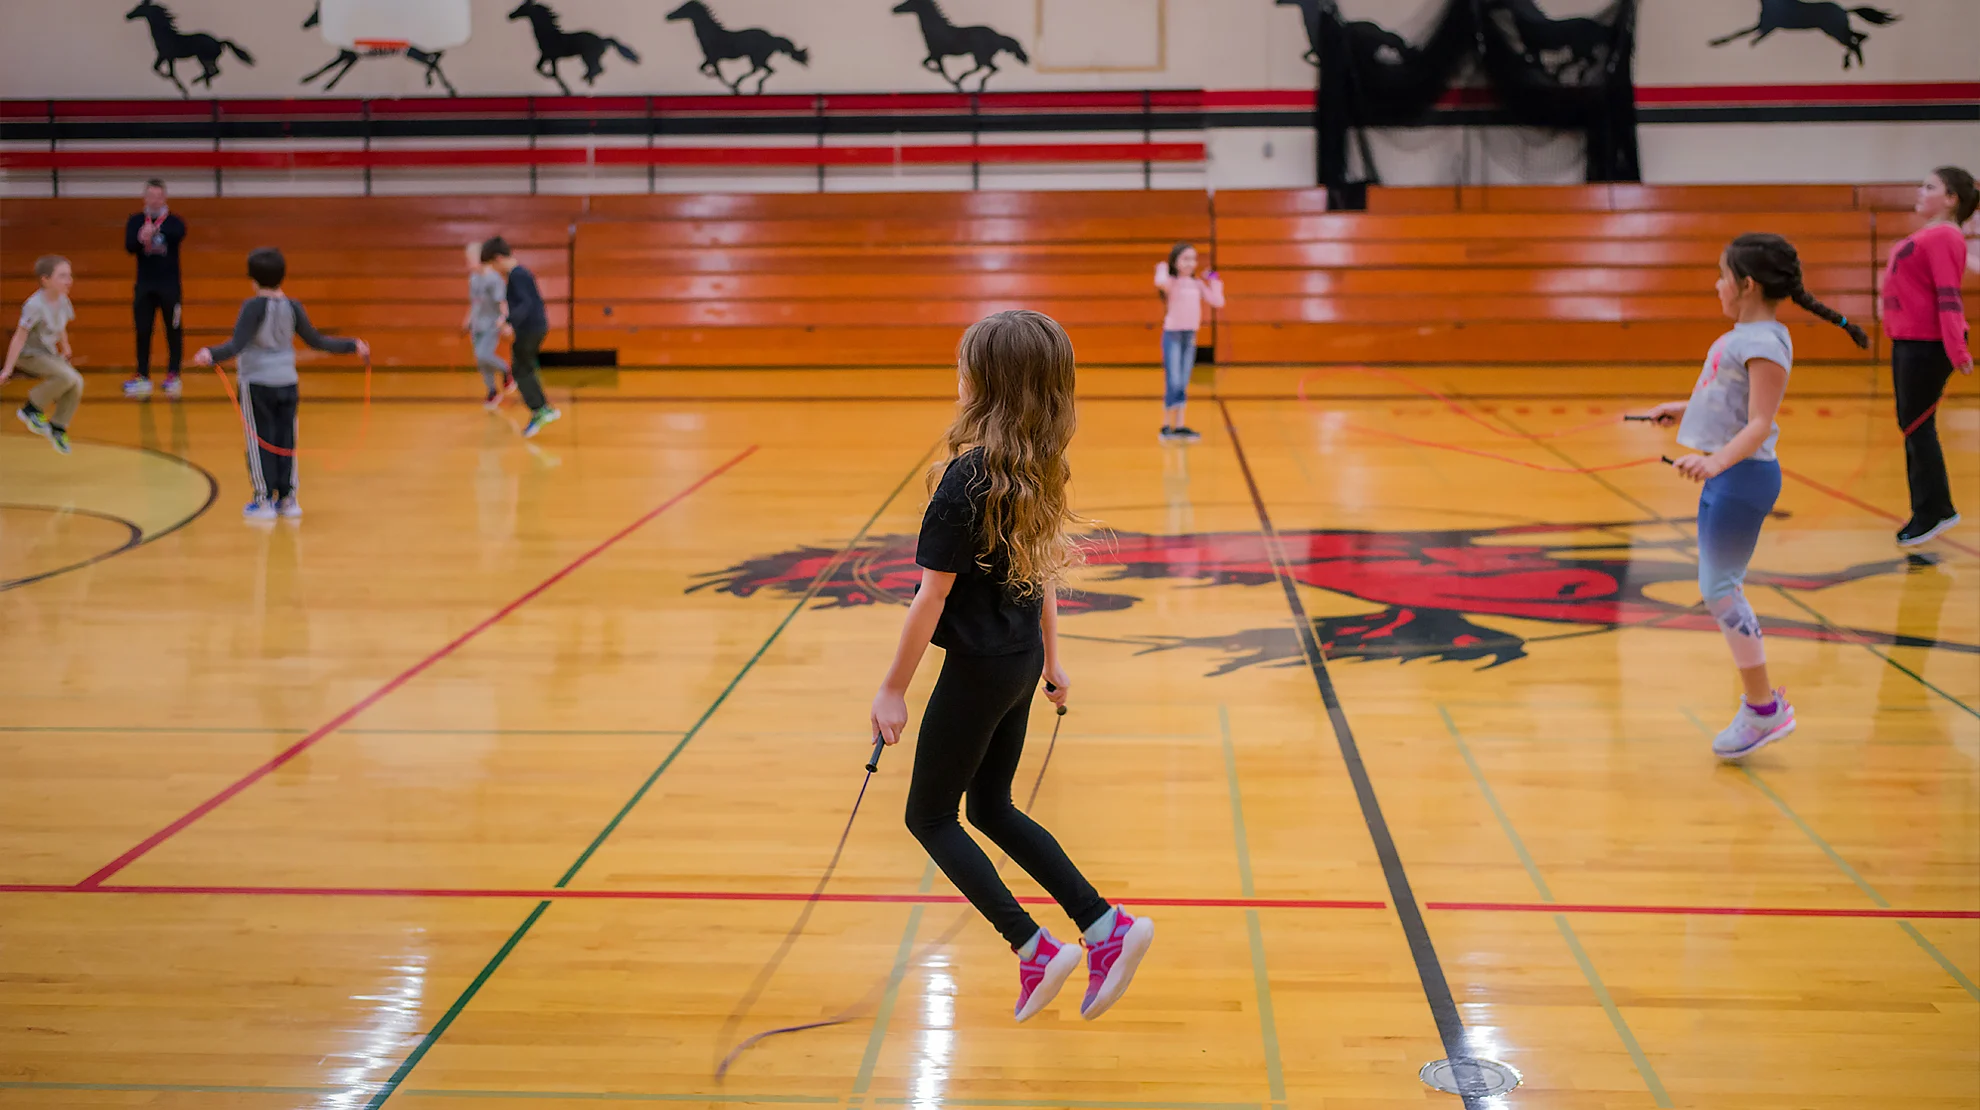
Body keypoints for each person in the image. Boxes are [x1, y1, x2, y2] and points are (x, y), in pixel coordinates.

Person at [870, 309, 1153, 1023]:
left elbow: (930, 598)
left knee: (930, 816)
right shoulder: (1036, 462)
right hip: (1020, 658)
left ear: (986, 383)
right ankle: (1103, 927)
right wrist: (1053, 659)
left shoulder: (965, 479)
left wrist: (892, 690)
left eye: (965, 363)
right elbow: (1043, 569)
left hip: (980, 670)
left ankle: (1033, 948)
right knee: (989, 806)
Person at [1641, 234, 1869, 760]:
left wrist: (1716, 461)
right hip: (1729, 477)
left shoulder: (1764, 342)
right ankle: (1761, 706)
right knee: (1717, 585)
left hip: (1743, 479)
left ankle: (1763, 709)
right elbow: (1725, 397)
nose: (1715, 284)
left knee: (1720, 588)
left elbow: (1761, 422)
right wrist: (1682, 408)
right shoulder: (1745, 336)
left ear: (1746, 285)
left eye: (1721, 275)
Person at [193, 248, 368, 522]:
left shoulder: (252, 306)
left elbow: (236, 345)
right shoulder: (293, 306)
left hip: (257, 383)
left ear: (252, 278)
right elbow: (317, 341)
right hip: (287, 382)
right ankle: (288, 499)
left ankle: (263, 501)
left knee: (259, 440)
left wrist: (210, 354)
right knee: (286, 440)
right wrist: (351, 345)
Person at [1882, 165, 1975, 546]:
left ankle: (1933, 511)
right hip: (1910, 342)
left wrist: (1957, 348)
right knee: (1914, 428)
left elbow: (1949, 295)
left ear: (1951, 198)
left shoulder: (1943, 237)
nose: (1920, 191)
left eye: (1930, 186)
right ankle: (1931, 508)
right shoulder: (1933, 234)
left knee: (1918, 428)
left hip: (1925, 346)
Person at [2, 255, 83, 455]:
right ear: (45, 280)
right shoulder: (34, 305)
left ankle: (58, 426)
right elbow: (19, 338)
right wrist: (7, 369)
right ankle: (31, 409)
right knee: (66, 377)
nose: (69, 280)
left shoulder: (63, 300)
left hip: (48, 352)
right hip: (28, 354)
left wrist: (66, 347)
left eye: (69, 276)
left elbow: (61, 326)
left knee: (77, 382)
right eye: (62, 276)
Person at [481, 237, 560, 438]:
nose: (494, 271)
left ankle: (541, 409)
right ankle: (542, 408)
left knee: (520, 368)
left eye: (492, 265)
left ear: (499, 258)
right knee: (523, 367)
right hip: (533, 327)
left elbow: (524, 304)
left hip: (531, 328)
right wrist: (509, 320)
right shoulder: (519, 274)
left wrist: (509, 323)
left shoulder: (518, 275)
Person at [1152, 242, 1224, 442]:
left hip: (1189, 336)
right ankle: (1166, 426)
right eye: (1185, 258)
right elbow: (1160, 282)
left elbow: (1217, 301)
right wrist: (1162, 268)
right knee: (1173, 380)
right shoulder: (1171, 282)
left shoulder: (1197, 284)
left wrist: (1214, 281)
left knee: (1183, 381)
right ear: (1175, 261)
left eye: (1193, 258)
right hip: (1173, 335)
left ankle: (1180, 425)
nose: (1190, 263)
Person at [124, 178, 187, 399]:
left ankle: (173, 374)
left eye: (158, 196)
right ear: (145, 198)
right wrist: (142, 237)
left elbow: (180, 234)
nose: (154, 200)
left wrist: (157, 230)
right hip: (144, 285)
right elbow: (129, 246)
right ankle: (142, 375)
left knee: (173, 330)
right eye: (150, 196)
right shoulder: (135, 221)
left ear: (164, 198)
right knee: (143, 330)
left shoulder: (173, 221)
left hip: (169, 286)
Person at [463, 242, 513, 410]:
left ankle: (506, 370)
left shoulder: (493, 279)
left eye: (470, 260)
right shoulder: (473, 279)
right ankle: (492, 390)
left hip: (491, 324)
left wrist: (504, 321)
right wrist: (467, 320)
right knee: (480, 360)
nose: (468, 264)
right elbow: (474, 303)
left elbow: (501, 303)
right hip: (477, 325)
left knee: (484, 354)